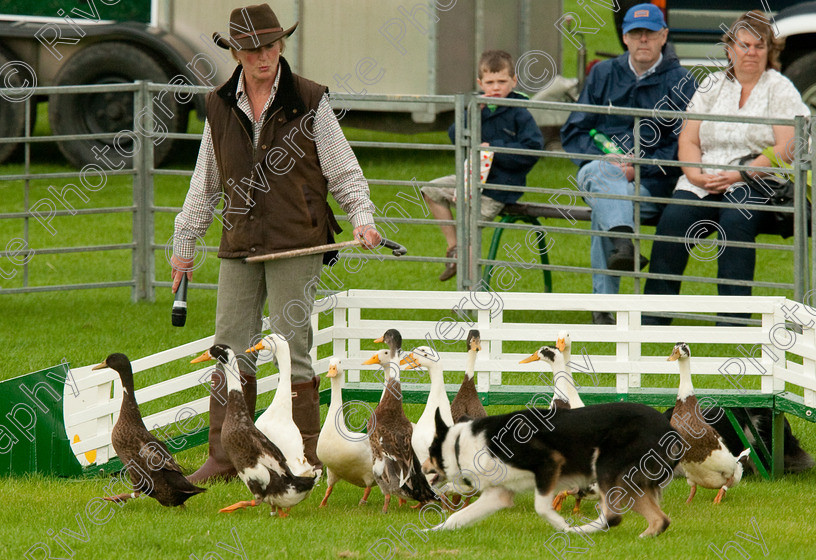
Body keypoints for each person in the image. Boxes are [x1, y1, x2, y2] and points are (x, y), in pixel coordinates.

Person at [170, 3, 380, 483]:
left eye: (269, 45)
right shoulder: (220, 104)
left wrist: (362, 218)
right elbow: (205, 182)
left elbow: (343, 169)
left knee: (291, 346)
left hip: (296, 239)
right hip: (239, 240)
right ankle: (226, 457)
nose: (262, 56)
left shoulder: (309, 100)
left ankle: (303, 458)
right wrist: (185, 241)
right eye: (250, 49)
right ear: (237, 54)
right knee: (229, 347)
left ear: (281, 45)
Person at [643, 10, 809, 325]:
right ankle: (654, 319)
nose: (751, 52)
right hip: (703, 178)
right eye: (744, 45)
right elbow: (689, 140)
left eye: (759, 46)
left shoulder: (780, 87)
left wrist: (739, 174)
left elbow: (787, 146)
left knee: (736, 221)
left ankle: (733, 323)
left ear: (769, 51)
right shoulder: (712, 84)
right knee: (674, 222)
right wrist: (695, 176)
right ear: (730, 48)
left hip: (756, 180)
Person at [560, 3, 696, 324]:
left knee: (604, 209)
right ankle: (623, 241)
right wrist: (602, 157)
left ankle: (604, 309)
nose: (643, 40)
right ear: (624, 37)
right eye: (636, 34)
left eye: (650, 33)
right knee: (601, 174)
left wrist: (640, 166)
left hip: (652, 185)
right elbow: (574, 130)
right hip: (601, 173)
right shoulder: (603, 73)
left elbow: (685, 147)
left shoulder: (682, 82)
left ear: (664, 36)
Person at [422, 50, 543, 282]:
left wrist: (494, 149)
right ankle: (454, 248)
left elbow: (532, 151)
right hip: (472, 179)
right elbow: (455, 136)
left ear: (514, 81)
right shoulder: (477, 108)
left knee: (468, 225)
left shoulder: (520, 113)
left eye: (502, 81)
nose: (496, 87)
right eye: (490, 82)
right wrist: (471, 115)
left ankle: (469, 294)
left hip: (499, 188)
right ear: (480, 83)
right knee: (431, 190)